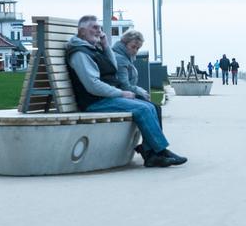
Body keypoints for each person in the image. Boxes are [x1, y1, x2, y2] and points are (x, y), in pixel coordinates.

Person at [66, 15, 186, 167]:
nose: (99, 31)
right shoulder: (80, 53)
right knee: (143, 108)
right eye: (94, 28)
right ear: (82, 31)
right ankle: (158, 152)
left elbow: (112, 66)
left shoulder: (92, 49)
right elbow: (93, 85)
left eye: (99, 28)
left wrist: (105, 45)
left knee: (149, 106)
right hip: (94, 101)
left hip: (103, 98)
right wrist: (121, 93)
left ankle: (154, 154)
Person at [112, 29, 163, 127]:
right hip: (122, 95)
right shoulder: (120, 59)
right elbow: (124, 85)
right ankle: (153, 141)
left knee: (154, 107)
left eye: (138, 48)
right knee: (152, 108)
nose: (135, 51)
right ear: (124, 44)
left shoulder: (125, 57)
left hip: (126, 95)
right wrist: (140, 91)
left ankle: (153, 140)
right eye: (133, 47)